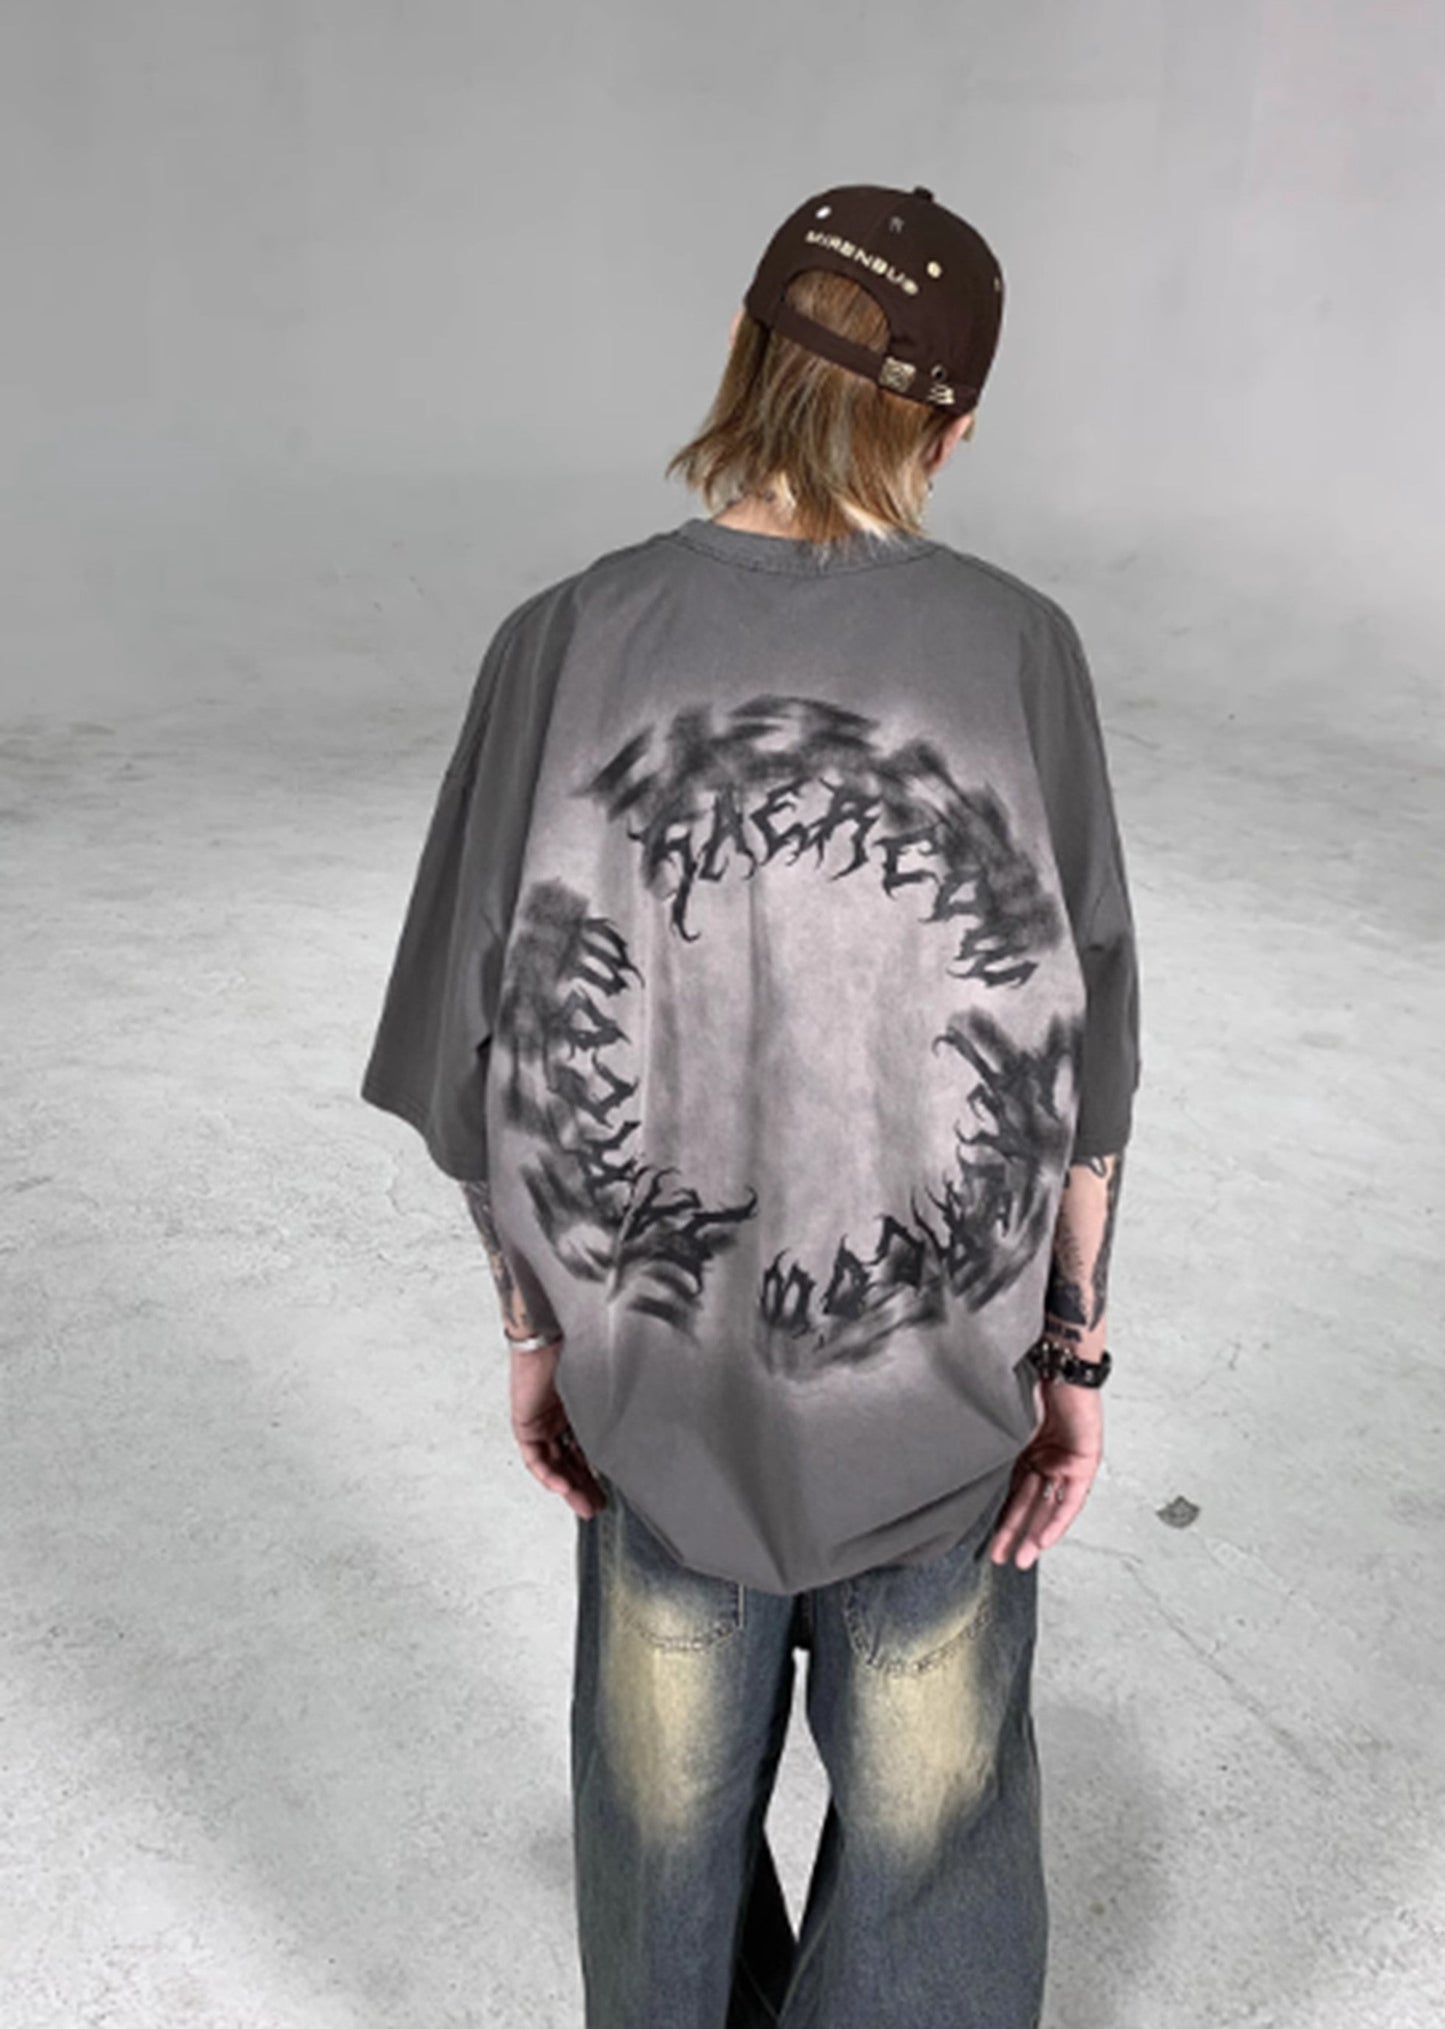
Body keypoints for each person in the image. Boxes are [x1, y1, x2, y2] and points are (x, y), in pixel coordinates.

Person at [360, 181, 1141, 2029]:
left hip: (665, 1406)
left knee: (658, 1845)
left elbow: (475, 1042)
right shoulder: (1019, 649)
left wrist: (536, 1333)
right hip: (937, 1427)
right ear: (954, 430)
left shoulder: (562, 638)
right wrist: (1072, 1357)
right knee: (934, 1857)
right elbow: (1082, 1058)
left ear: (738, 347)